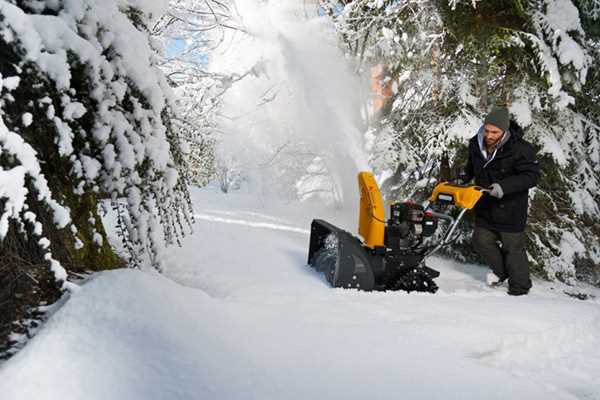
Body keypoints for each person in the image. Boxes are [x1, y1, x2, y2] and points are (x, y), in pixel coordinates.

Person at [461, 106, 540, 296]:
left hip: (510, 207)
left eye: (494, 132)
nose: (489, 135)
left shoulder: (521, 149)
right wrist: (463, 176)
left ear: (504, 130)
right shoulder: (475, 143)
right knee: (481, 241)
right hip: (485, 204)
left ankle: (520, 288)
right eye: (487, 130)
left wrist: (504, 187)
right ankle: (503, 272)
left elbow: (531, 176)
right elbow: (471, 167)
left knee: (513, 248)